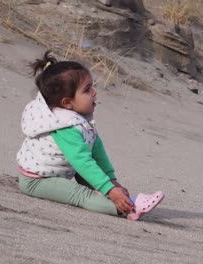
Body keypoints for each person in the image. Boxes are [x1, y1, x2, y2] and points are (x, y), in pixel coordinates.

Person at [16, 51, 164, 220]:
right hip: (37, 180)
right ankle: (128, 209)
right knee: (82, 194)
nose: (94, 92)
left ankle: (123, 200)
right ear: (67, 103)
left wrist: (112, 181)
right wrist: (109, 190)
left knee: (97, 181)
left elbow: (97, 151)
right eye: (87, 90)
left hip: (62, 169)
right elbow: (82, 161)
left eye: (92, 87)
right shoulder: (63, 125)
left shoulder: (79, 119)